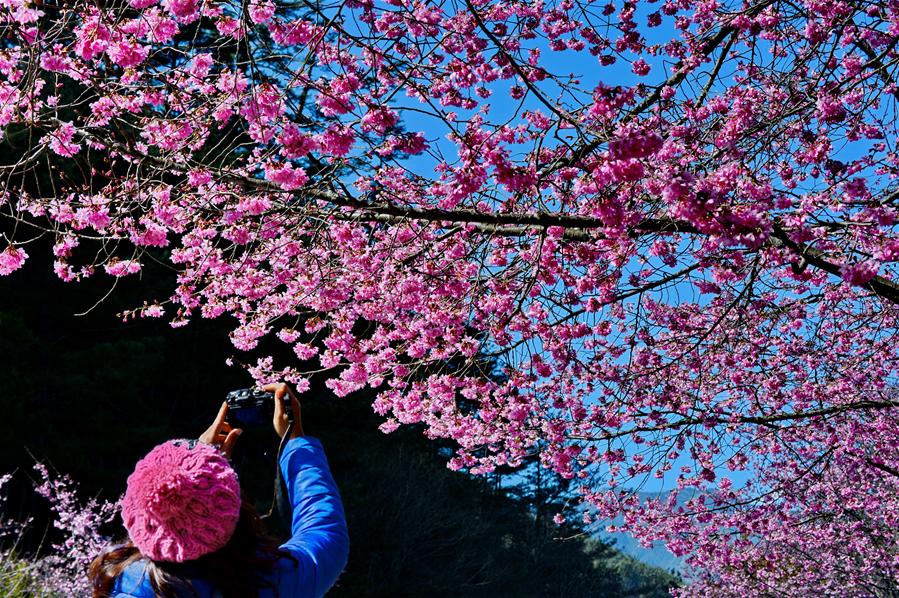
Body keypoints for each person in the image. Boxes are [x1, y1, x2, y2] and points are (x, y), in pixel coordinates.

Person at [88, 383, 349, 597]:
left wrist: (198, 458)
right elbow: (323, 528)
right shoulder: (279, 581)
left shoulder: (123, 585)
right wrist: (296, 443)